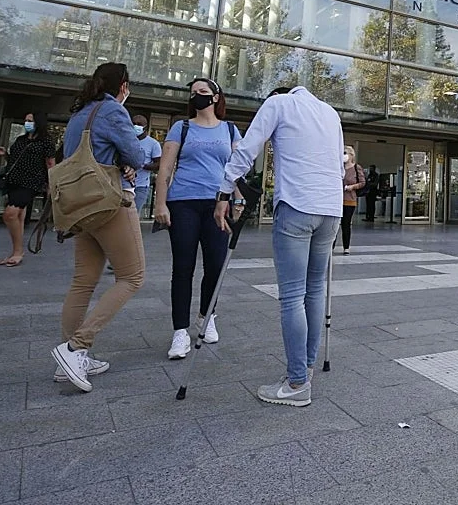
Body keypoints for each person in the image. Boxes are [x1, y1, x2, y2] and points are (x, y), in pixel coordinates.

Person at [217, 86, 343, 407]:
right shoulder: (330, 113)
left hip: (297, 204)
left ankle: (297, 382)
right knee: (314, 290)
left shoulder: (278, 104)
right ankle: (307, 367)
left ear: (277, 94)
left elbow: (247, 148)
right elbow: (339, 167)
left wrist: (224, 189)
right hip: (331, 209)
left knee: (291, 296)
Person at [51, 63, 147, 392]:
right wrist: (125, 161)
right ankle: (76, 347)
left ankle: (70, 360)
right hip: (109, 204)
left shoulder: (80, 114)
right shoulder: (113, 111)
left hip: (80, 207)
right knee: (132, 277)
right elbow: (135, 155)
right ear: (122, 85)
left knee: (83, 283)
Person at [153, 78, 242, 360]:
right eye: (193, 93)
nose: (197, 97)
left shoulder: (229, 129)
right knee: (183, 267)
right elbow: (165, 168)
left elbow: (236, 168)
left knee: (216, 265)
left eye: (202, 92)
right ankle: (180, 331)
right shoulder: (182, 127)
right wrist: (160, 204)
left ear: (216, 97)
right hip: (183, 203)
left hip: (219, 204)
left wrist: (237, 199)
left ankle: (206, 315)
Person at [0, 112, 55, 267]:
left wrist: (51, 184)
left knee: (10, 214)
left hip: (31, 182)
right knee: (19, 215)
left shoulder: (46, 141)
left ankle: (18, 251)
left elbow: (50, 164)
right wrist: (5, 155)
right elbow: (15, 159)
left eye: (30, 121)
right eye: (26, 120)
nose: (27, 123)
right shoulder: (20, 140)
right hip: (14, 180)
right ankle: (16, 251)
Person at [130, 114, 162, 218]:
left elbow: (158, 164)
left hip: (141, 185)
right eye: (134, 124)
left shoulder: (153, 144)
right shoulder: (127, 140)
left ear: (145, 127)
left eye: (139, 124)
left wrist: (143, 166)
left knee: (133, 214)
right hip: (123, 184)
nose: (136, 126)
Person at [339, 145, 366, 255]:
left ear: (351, 155)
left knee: (346, 223)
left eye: (345, 153)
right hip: (337, 199)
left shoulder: (356, 168)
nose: (343, 155)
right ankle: (330, 246)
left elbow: (362, 183)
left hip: (350, 199)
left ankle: (346, 247)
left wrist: (352, 187)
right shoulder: (339, 167)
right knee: (334, 225)